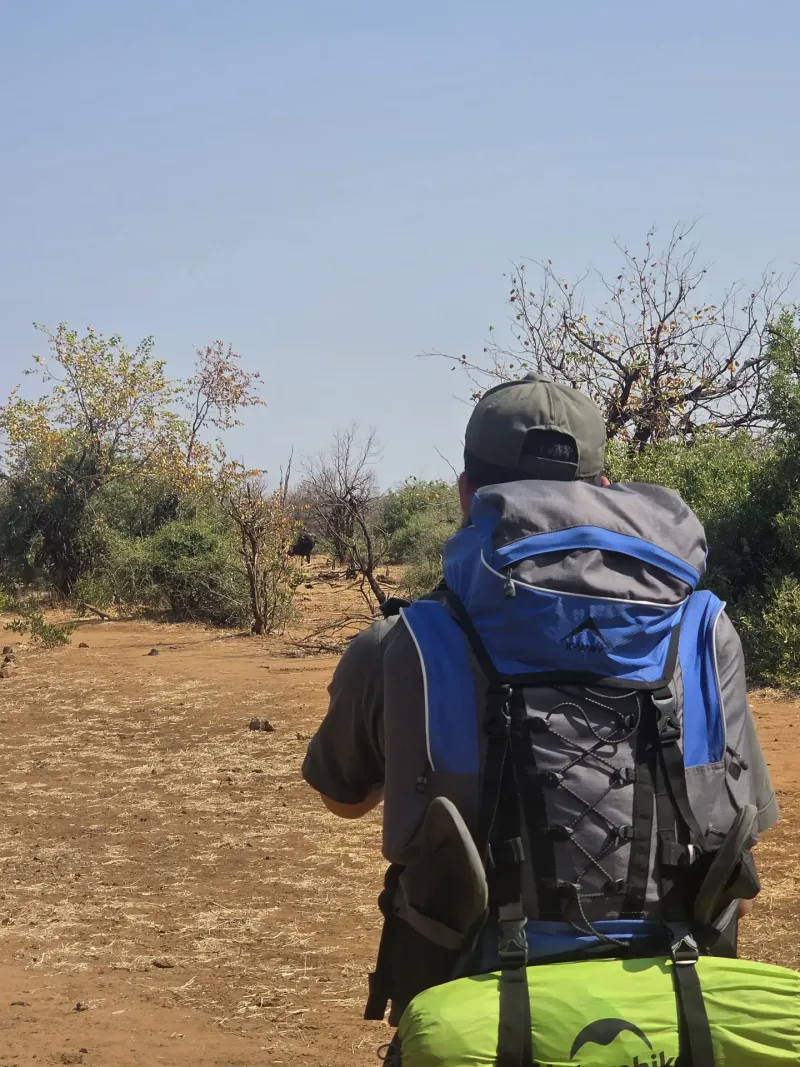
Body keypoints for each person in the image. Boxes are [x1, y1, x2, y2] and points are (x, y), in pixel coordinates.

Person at [302, 373, 779, 1030]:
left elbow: (345, 798)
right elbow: (737, 840)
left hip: (470, 1013)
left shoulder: (403, 642)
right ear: (604, 492)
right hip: (675, 1010)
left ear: (469, 494)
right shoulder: (706, 632)